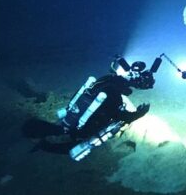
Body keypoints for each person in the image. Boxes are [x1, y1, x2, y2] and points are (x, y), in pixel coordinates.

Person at [22, 55, 156, 161]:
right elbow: (120, 116)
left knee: (62, 130)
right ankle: (43, 144)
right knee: (73, 146)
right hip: (85, 129)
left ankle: (37, 134)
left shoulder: (105, 80)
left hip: (74, 117)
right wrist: (139, 114)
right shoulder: (114, 94)